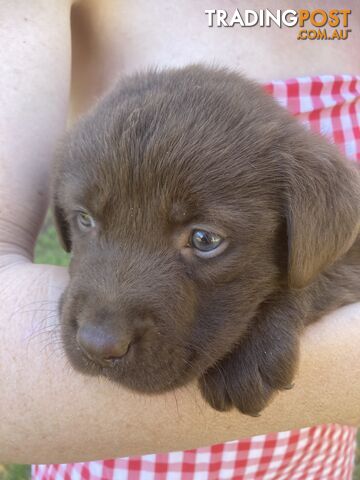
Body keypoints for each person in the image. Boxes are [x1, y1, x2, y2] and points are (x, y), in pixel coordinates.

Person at [1, 0, 359, 478]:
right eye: (87, 221)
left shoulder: (295, 177)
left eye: (204, 238)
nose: (101, 335)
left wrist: (300, 297)